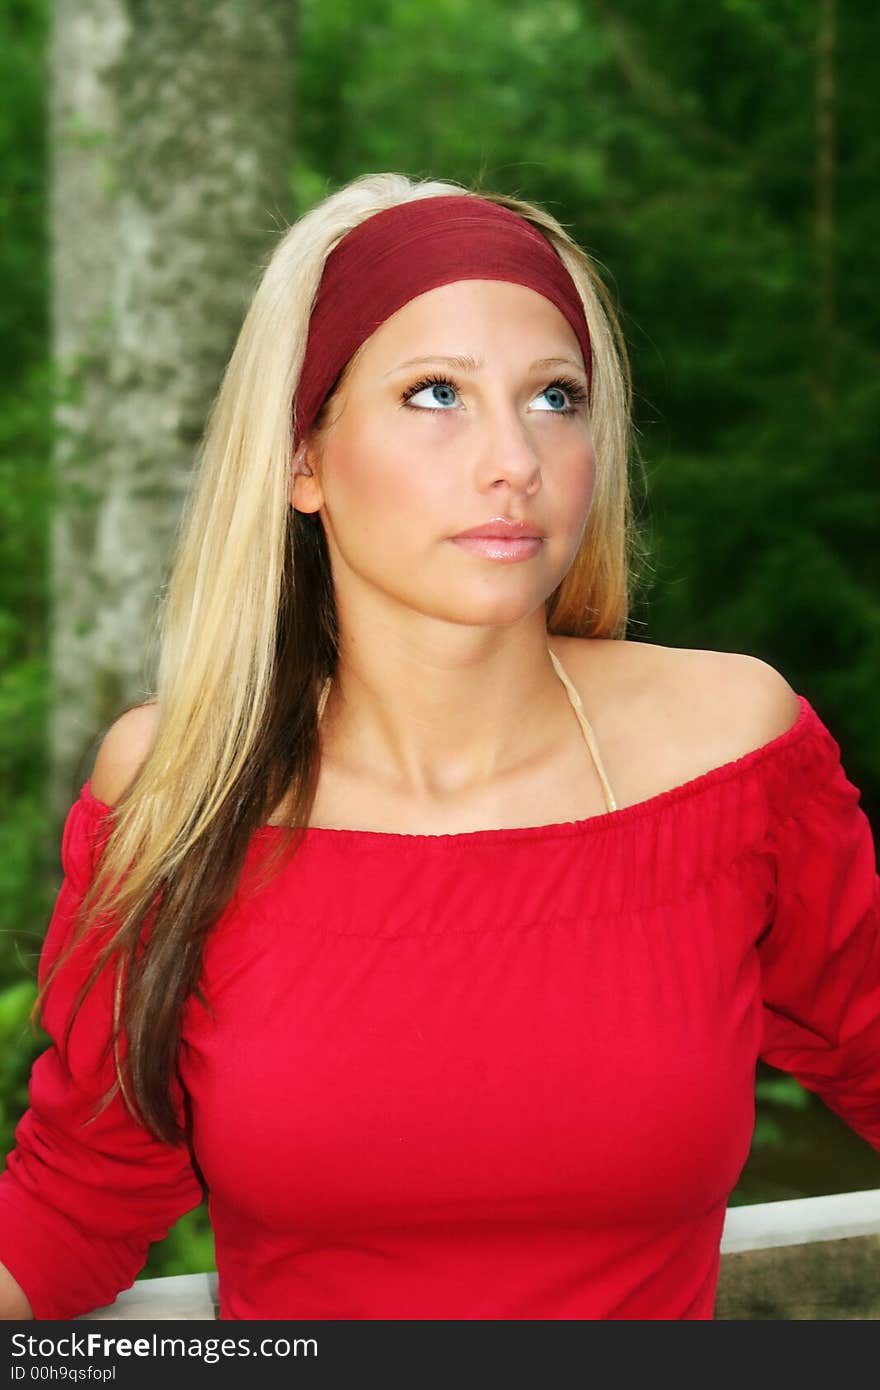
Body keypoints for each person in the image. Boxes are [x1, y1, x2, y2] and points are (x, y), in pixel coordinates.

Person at [0, 172, 878, 1322]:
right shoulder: (180, 788)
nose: (513, 456)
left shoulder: (731, 749)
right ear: (300, 461)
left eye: (555, 397)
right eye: (433, 394)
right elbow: (81, 1194)